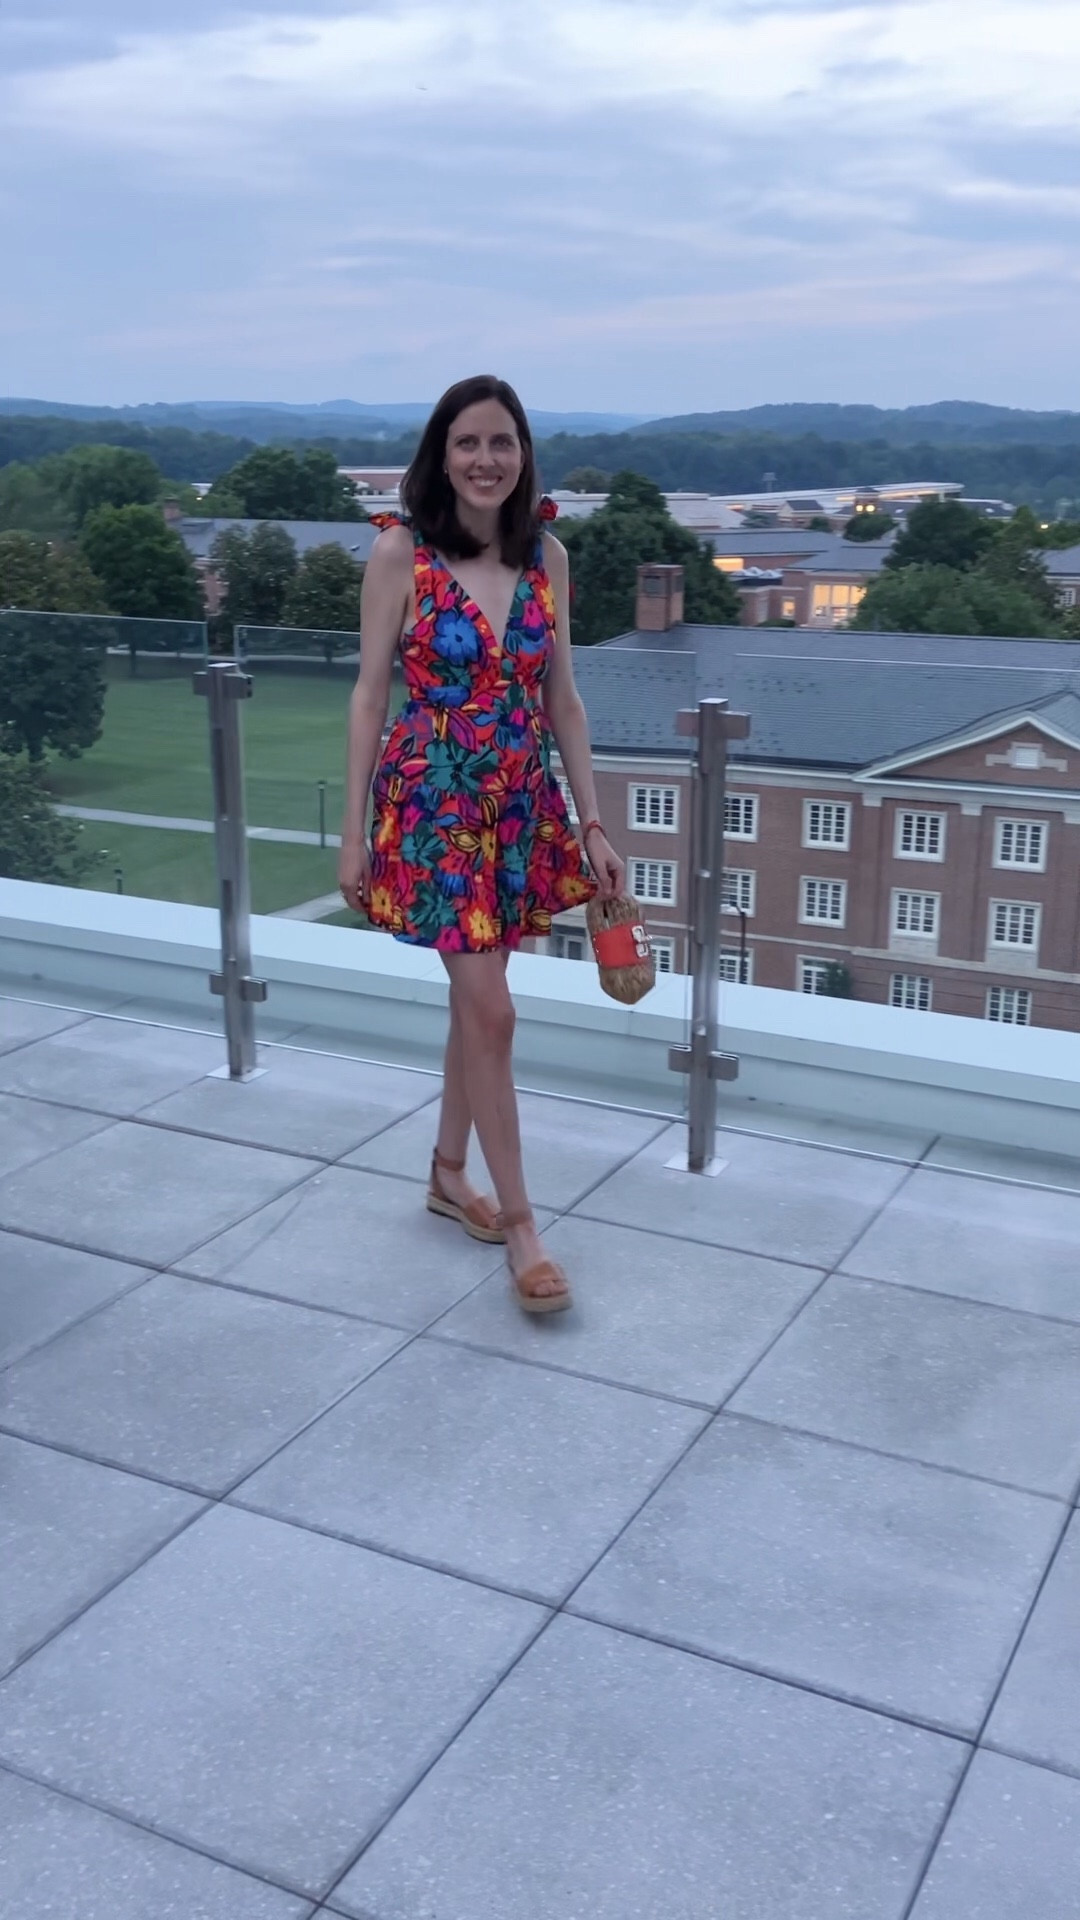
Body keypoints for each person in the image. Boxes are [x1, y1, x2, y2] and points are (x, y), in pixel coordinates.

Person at [338, 374, 624, 1314]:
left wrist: (592, 820)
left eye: (502, 442)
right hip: (431, 811)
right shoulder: (400, 554)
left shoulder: (548, 555)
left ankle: (449, 1170)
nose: (486, 460)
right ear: (441, 453)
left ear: (523, 452)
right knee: (493, 1011)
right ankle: (525, 1232)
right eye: (468, 443)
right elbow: (370, 697)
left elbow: (564, 701)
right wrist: (352, 834)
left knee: (481, 999)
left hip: (518, 809)